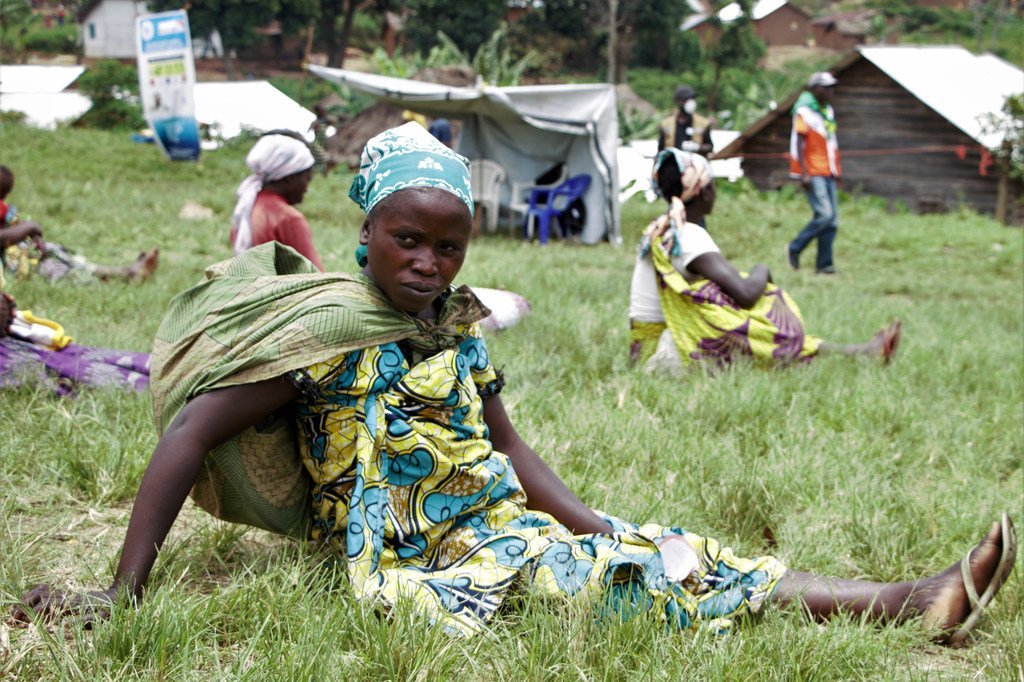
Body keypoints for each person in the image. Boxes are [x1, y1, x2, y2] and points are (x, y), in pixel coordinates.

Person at [13, 124, 1015, 648]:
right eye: (406, 239)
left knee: (650, 549)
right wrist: (120, 589)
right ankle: (893, 602)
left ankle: (903, 598)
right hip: (411, 566)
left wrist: (590, 518)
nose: (427, 263)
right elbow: (190, 428)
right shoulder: (323, 338)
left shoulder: (456, 326)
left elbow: (507, 446)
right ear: (362, 232)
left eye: (448, 247)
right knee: (625, 583)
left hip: (495, 525)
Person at [629, 149, 901, 371]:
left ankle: (857, 354)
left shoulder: (663, 230)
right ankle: (855, 354)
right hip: (669, 349)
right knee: (762, 314)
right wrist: (763, 270)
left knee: (744, 318)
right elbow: (745, 293)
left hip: (647, 349)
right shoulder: (687, 236)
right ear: (704, 191)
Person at [0, 165, 159, 284]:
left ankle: (123, 272)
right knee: (55, 271)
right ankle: (113, 278)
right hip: (12, 265)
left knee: (55, 250)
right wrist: (30, 226)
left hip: (26, 254)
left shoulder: (5, 210)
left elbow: (15, 226)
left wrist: (34, 234)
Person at [229, 133, 324, 271]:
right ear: (289, 177)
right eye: (307, 179)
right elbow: (316, 277)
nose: (306, 189)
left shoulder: (247, 207)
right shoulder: (288, 218)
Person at [787, 72, 841, 274]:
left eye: (832, 87)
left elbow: (831, 143)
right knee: (824, 215)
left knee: (832, 220)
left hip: (828, 170)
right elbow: (799, 143)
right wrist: (803, 172)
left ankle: (824, 264)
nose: (830, 91)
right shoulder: (803, 111)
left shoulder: (827, 111)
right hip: (812, 170)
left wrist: (837, 169)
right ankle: (795, 247)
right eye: (826, 87)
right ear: (815, 88)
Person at [657, 86, 715, 229]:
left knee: (695, 206)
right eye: (687, 99)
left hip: (694, 174)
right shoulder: (666, 124)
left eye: (692, 99)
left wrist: (698, 148)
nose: (691, 102)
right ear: (678, 102)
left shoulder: (702, 123)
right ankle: (674, 228)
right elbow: (660, 151)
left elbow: (710, 146)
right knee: (676, 205)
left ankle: (698, 230)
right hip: (674, 174)